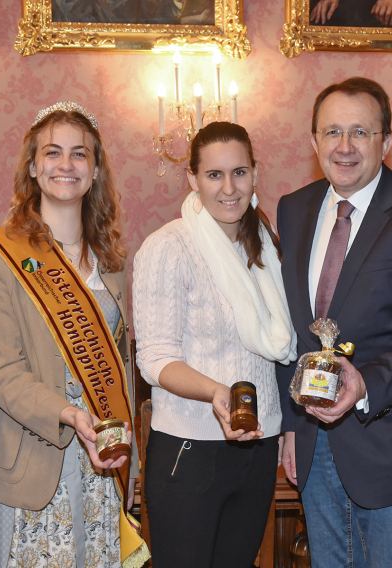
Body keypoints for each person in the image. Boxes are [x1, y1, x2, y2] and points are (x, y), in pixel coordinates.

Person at [276, 77, 392, 567]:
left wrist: (366, 384)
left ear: (387, 141)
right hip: (314, 443)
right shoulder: (293, 210)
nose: (345, 146)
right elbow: (294, 329)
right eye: (332, 131)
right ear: (313, 141)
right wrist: (293, 425)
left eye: (361, 132)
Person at [0, 101, 148, 568]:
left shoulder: (112, 263)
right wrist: (69, 414)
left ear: (94, 172)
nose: (65, 165)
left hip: (101, 464)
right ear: (32, 166)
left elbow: (122, 368)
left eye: (79, 154)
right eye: (52, 153)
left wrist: (129, 457)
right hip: (34, 459)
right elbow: (0, 370)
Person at [133, 121, 297, 567]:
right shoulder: (168, 247)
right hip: (190, 448)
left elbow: (281, 351)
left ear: (256, 174)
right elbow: (154, 359)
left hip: (258, 444)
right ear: (192, 179)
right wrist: (215, 392)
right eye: (214, 175)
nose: (229, 187)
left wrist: (288, 426)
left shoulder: (266, 245)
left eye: (239, 172)